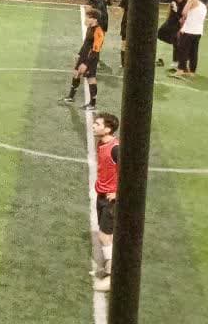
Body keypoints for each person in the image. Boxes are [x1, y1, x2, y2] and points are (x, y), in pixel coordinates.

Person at [91, 112, 120, 292]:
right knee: (108, 235)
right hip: (101, 196)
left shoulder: (115, 149)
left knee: (104, 235)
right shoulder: (101, 143)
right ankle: (111, 268)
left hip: (111, 199)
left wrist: (117, 192)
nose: (93, 126)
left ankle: (112, 278)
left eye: (98, 124)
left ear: (108, 129)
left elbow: (130, 173)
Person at [62, 7, 104, 109]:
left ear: (95, 19)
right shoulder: (90, 27)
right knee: (76, 73)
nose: (86, 19)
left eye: (88, 17)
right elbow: (86, 43)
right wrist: (79, 54)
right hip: (83, 55)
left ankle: (92, 104)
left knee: (91, 78)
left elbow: (95, 50)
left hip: (91, 58)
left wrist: (86, 63)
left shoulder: (98, 31)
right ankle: (71, 97)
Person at [172, 0, 206, 78]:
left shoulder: (192, 0)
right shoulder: (203, 6)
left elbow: (184, 12)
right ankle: (192, 72)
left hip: (188, 31)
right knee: (193, 52)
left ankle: (180, 70)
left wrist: (183, 18)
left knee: (182, 50)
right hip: (198, 32)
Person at [87, 0, 112, 70]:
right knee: (93, 40)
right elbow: (89, 7)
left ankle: (95, 57)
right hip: (96, 20)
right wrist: (90, 19)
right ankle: (91, 58)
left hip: (104, 20)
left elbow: (109, 5)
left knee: (100, 40)